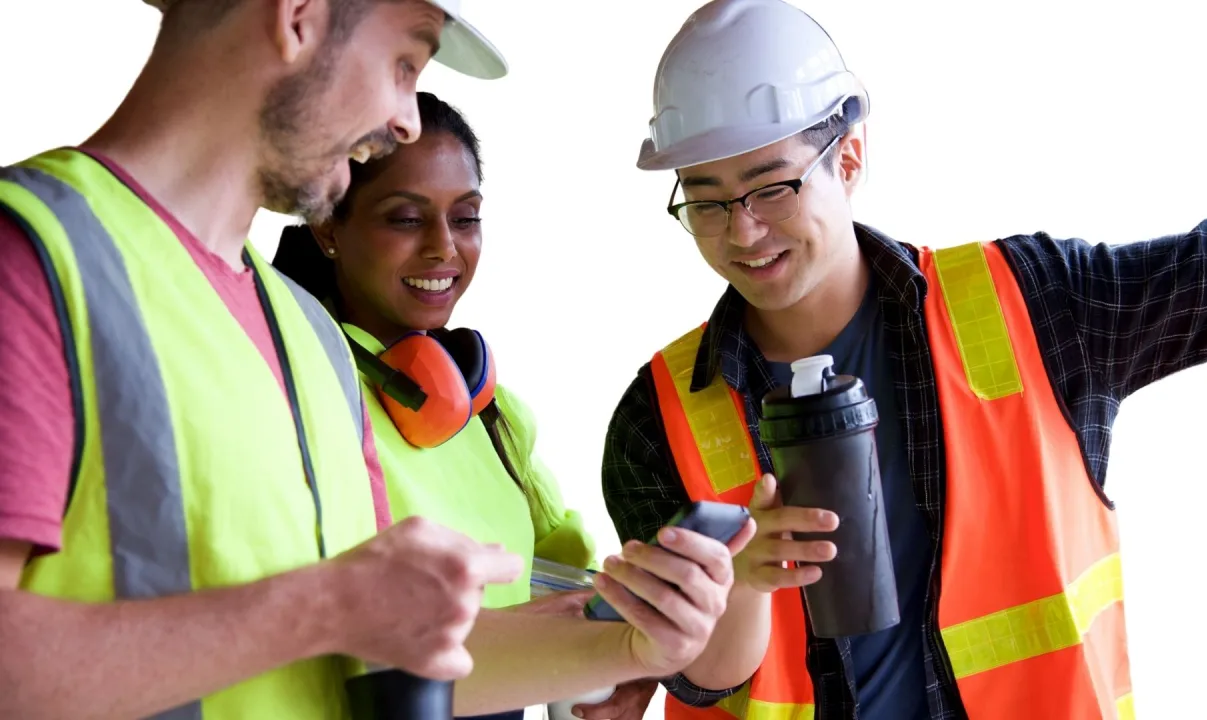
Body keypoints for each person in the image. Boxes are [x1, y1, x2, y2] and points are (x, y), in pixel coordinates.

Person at [0, 2, 743, 718]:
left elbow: (369, 665)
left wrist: (630, 645)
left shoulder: (309, 337)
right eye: (404, 61)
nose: (406, 119)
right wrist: (321, 606)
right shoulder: (33, 261)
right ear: (298, 15)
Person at [600, 1, 1207, 719]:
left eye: (773, 187)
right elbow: (697, 677)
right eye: (707, 203)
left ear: (850, 159)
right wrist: (740, 579)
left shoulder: (1033, 308)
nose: (743, 229)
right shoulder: (658, 418)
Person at [271, 90, 662, 718]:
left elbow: (572, 579)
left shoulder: (492, 410)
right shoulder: (290, 381)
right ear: (326, 227)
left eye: (466, 217)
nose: (444, 248)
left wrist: (623, 658)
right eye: (406, 218)